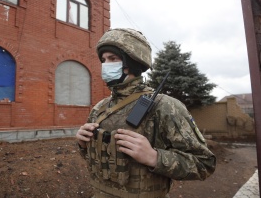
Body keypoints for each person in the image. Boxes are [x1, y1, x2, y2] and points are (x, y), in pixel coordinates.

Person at [76, 28, 216, 198]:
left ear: (132, 63)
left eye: (113, 59)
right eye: (103, 60)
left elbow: (204, 164)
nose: (105, 65)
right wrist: (84, 145)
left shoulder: (165, 107)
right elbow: (97, 160)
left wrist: (154, 157)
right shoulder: (100, 108)